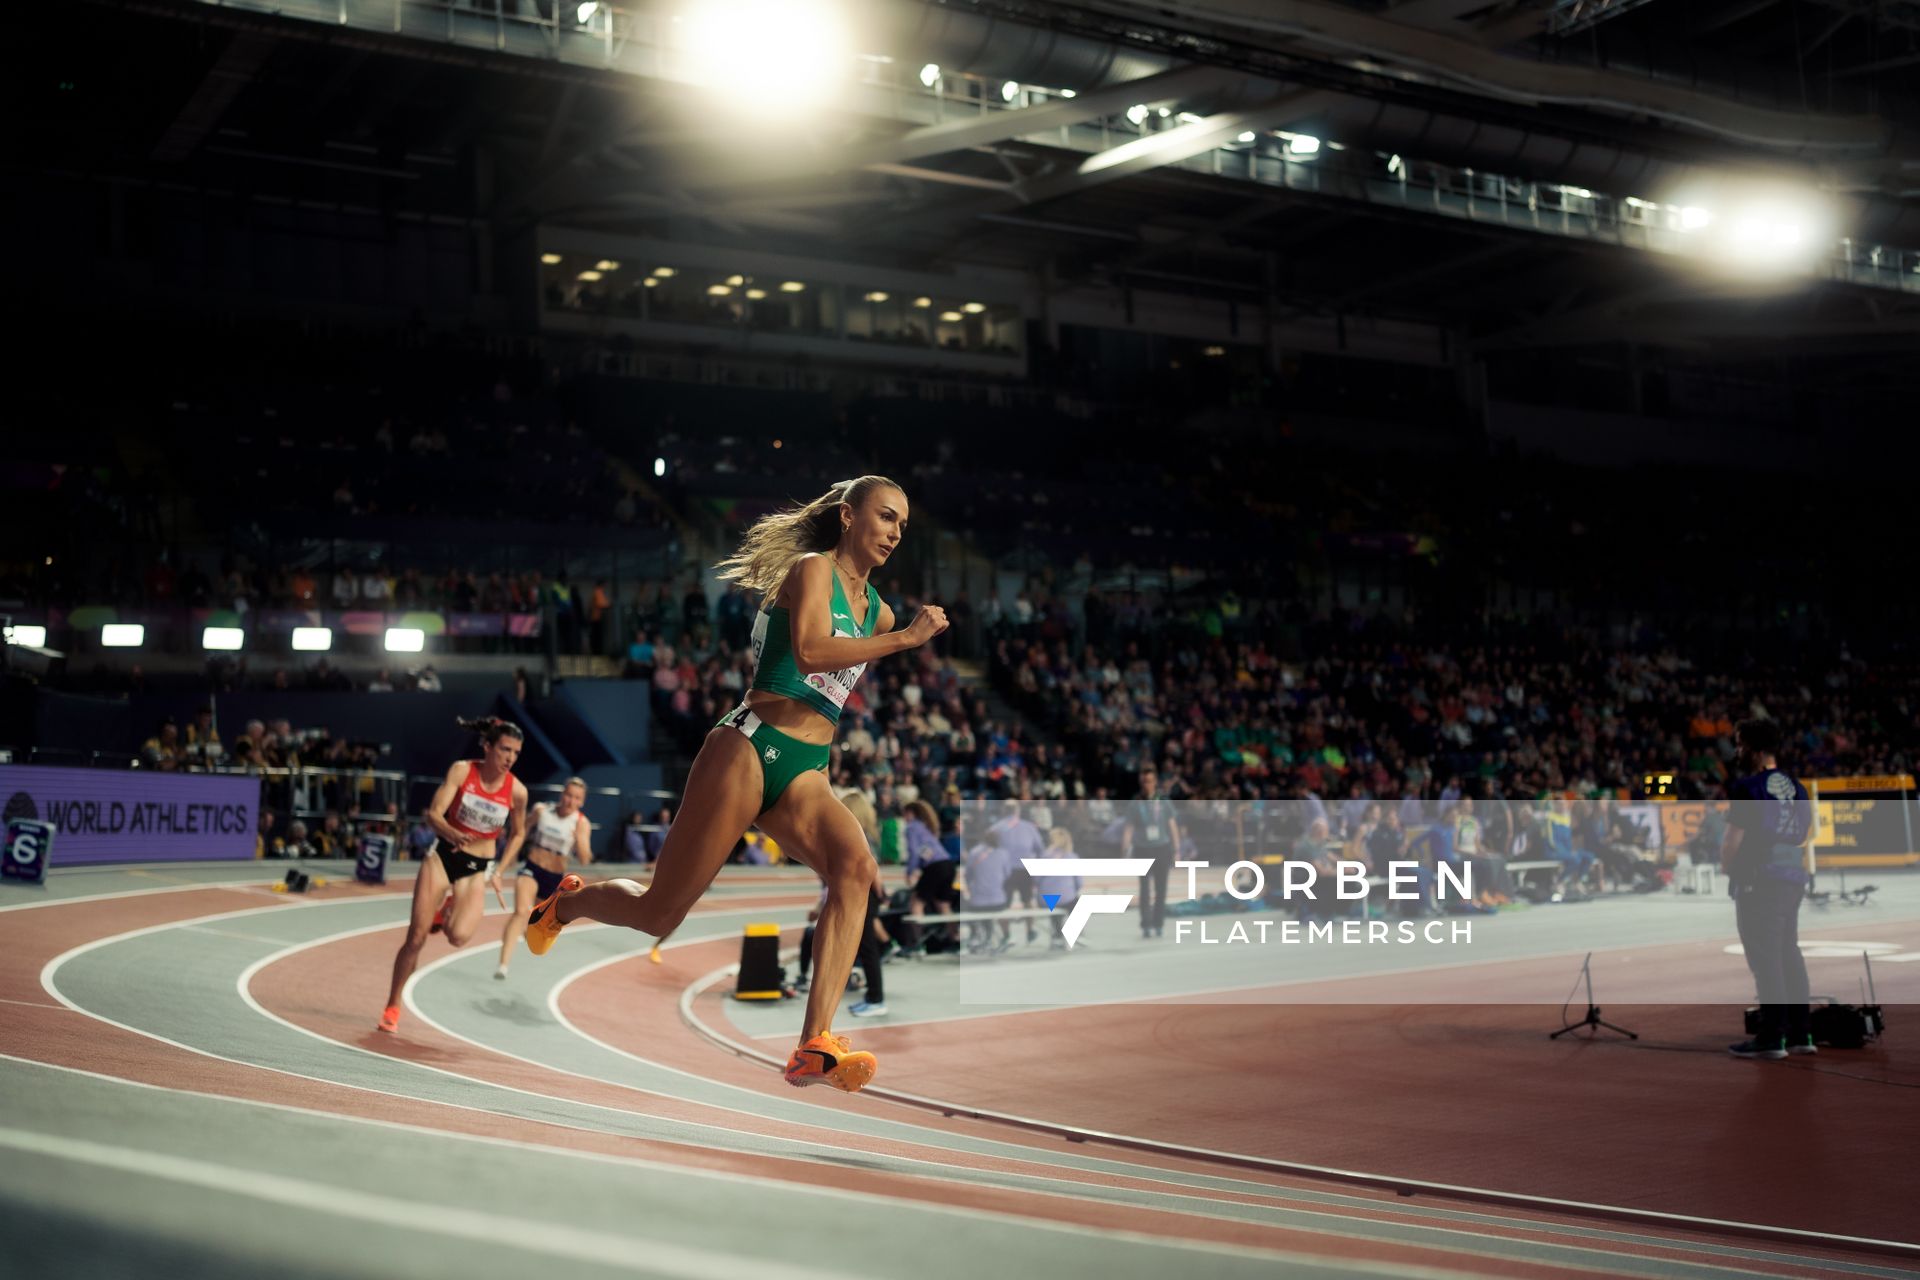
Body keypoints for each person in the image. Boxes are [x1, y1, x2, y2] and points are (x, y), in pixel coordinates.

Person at [519, 476, 946, 1092]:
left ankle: (812, 1045)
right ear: (849, 517)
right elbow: (806, 653)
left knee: (856, 868)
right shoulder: (811, 570)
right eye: (885, 517)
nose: (894, 532)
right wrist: (905, 639)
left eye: (903, 525)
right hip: (747, 747)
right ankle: (565, 902)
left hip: (806, 769)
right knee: (659, 913)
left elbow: (835, 686)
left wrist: (891, 635)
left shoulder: (875, 608)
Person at [380, 718, 527, 1033]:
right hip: (443, 857)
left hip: (476, 869)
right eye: (504, 749)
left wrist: (500, 870)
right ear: (487, 746)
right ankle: (393, 1004)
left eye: (515, 752)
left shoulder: (517, 791)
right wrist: (451, 833)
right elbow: (433, 814)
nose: (510, 758)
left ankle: (446, 909)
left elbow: (518, 834)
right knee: (416, 938)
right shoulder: (462, 771)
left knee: (458, 936)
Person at [1722, 719, 1816, 1060]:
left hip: (1758, 879)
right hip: (1792, 877)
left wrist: (1727, 867)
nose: (1737, 751)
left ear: (1755, 749)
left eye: (1740, 744)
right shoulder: (1798, 787)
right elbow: (1805, 833)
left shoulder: (1748, 787)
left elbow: (1733, 838)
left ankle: (1772, 1036)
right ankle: (1801, 1032)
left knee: (1765, 959)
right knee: (1789, 952)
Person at [493, 777, 594, 980]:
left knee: (535, 925)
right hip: (532, 868)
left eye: (576, 798)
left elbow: (585, 859)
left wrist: (579, 840)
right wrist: (511, 857)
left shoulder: (582, 823)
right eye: (568, 795)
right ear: (561, 794)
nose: (570, 801)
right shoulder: (542, 810)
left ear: (581, 802)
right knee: (521, 912)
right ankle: (502, 965)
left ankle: (524, 937)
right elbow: (521, 831)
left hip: (554, 879)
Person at [1121, 767, 1180, 938]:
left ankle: (1158, 923)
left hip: (1162, 848)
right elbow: (1129, 828)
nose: (1147, 785)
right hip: (1142, 849)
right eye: (1144, 781)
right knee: (1144, 889)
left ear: (1155, 782)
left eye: (1149, 781)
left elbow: (1172, 825)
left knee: (1161, 889)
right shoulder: (1135, 802)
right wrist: (1124, 850)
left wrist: (1177, 850)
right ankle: (1146, 924)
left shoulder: (1163, 801)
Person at [1034, 826, 1082, 949]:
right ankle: (1076, 931)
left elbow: (1037, 880)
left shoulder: (1044, 857)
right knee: (1074, 902)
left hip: (1046, 899)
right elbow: (1079, 882)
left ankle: (1057, 935)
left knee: (1053, 901)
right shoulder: (1071, 857)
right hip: (1065, 898)